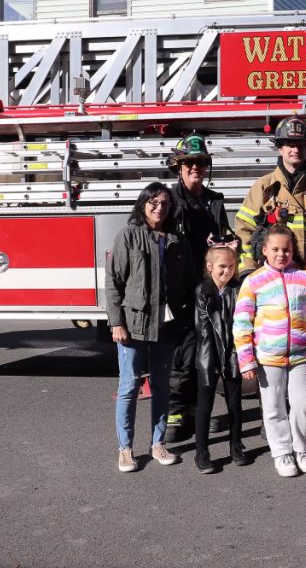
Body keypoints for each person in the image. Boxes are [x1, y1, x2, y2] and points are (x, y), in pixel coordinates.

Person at [105, 182, 193, 472]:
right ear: (143, 205)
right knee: (129, 387)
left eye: (165, 203)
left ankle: (158, 444)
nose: (159, 208)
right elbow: (114, 282)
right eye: (153, 202)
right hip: (133, 325)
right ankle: (125, 449)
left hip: (165, 328)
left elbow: (186, 285)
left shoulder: (176, 240)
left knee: (161, 387)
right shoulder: (128, 237)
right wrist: (116, 322)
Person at [233, 226, 306, 478]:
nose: (281, 254)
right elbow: (242, 322)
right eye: (275, 249)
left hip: (301, 356)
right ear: (264, 250)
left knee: (303, 404)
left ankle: (301, 448)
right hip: (268, 357)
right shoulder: (253, 281)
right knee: (273, 406)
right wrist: (246, 360)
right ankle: (281, 452)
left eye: (286, 249)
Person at [165, 132, 234, 443]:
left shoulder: (214, 202)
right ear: (178, 166)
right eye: (190, 163)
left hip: (208, 293)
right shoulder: (167, 201)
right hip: (179, 292)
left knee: (208, 355)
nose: (196, 168)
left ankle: (197, 412)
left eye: (201, 163)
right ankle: (177, 415)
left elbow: (226, 239)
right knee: (182, 355)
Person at [234, 116, 306, 276]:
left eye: (301, 145)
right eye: (290, 144)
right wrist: (249, 271)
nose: (295, 150)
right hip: (271, 278)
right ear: (280, 148)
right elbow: (244, 230)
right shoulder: (263, 187)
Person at [193, 236, 249, 474]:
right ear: (210, 267)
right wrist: (214, 360)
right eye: (222, 267)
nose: (227, 271)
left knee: (235, 404)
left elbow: (243, 321)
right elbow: (204, 328)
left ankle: (236, 445)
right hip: (208, 353)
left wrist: (236, 354)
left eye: (231, 266)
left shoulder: (238, 290)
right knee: (204, 406)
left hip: (234, 352)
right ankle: (201, 451)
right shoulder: (203, 290)